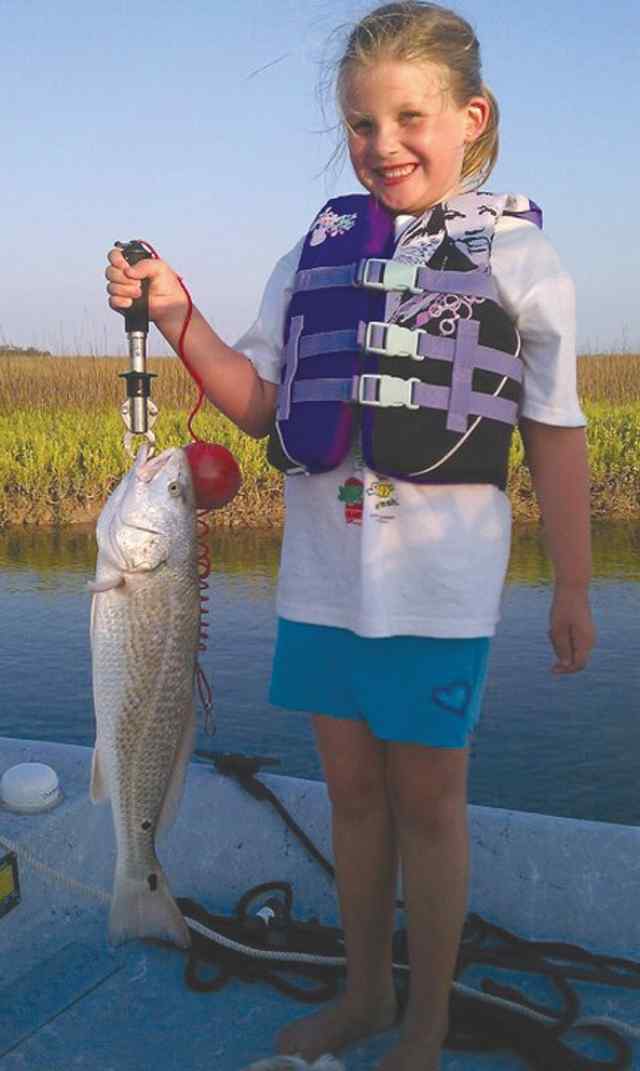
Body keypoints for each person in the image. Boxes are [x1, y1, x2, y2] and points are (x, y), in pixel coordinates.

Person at [105, 3, 595, 1068]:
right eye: (361, 125)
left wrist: (572, 585)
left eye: (409, 117)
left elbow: (557, 434)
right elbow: (254, 401)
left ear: (470, 117)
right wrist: (179, 312)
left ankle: (425, 1018)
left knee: (429, 806)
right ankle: (369, 995)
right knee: (355, 800)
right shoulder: (313, 251)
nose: (384, 146)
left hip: (437, 597)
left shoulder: (520, 256)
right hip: (321, 585)